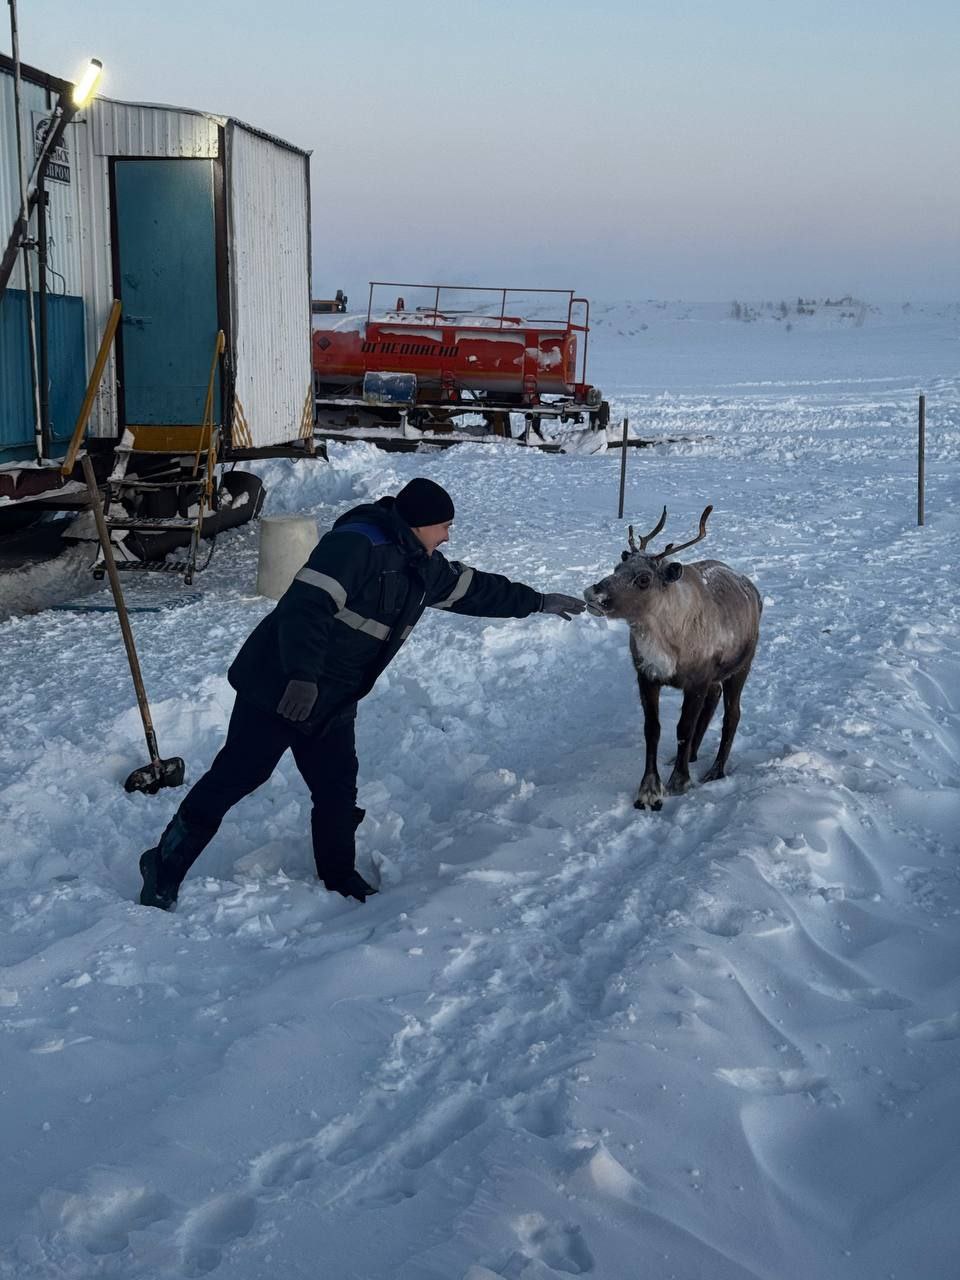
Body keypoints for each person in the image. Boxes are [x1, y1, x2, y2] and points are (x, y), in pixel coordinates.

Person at [139, 478, 586, 910]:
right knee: (236, 778)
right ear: (419, 525)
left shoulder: (422, 564)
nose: (449, 535)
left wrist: (538, 601)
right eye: (444, 526)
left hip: (333, 696)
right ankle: (163, 865)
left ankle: (338, 877)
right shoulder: (356, 546)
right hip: (278, 685)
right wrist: (301, 677)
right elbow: (304, 609)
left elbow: (475, 590)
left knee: (336, 787)